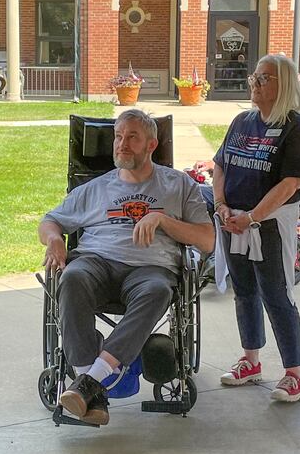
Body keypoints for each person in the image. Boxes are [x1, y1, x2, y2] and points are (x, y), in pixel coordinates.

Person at [38, 109, 214, 425]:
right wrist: (54, 240)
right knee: (73, 277)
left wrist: (162, 219)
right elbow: (51, 220)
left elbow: (207, 240)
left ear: (151, 145)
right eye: (119, 137)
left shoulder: (178, 185)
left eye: (132, 137)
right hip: (96, 262)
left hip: (150, 269)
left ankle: (89, 385)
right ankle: (91, 386)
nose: (122, 144)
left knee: (158, 290)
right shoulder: (96, 188)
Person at [212, 54, 300, 403]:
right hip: (233, 220)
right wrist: (222, 206)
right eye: (255, 76)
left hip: (268, 223)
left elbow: (290, 183)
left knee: (276, 292)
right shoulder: (242, 121)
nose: (255, 83)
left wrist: (253, 216)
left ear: (283, 85)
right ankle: (250, 360)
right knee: (244, 291)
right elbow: (220, 166)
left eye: (264, 78)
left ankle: (294, 373)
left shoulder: (294, 127)